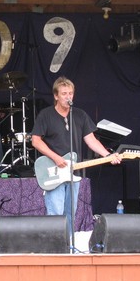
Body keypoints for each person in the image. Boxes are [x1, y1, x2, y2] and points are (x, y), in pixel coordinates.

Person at [31, 76, 121, 235]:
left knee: (70, 215)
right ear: (56, 96)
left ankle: (69, 251)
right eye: (64, 93)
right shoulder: (46, 115)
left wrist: (108, 155)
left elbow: (91, 140)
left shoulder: (80, 115)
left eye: (71, 93)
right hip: (54, 171)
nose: (68, 97)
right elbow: (36, 141)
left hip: (74, 172)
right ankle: (56, 252)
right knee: (56, 214)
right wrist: (55, 158)